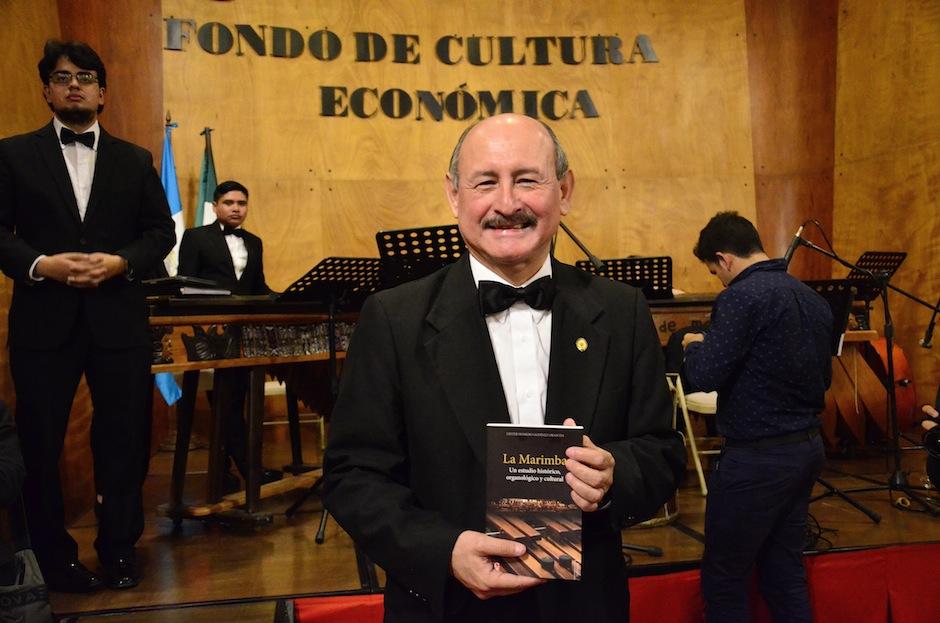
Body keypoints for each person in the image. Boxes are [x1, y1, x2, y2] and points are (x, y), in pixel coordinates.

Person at [322, 113, 686, 622]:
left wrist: (613, 476)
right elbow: (353, 476)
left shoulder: (622, 310)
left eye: (528, 180)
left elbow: (662, 452)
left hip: (585, 607)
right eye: (486, 182)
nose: (508, 203)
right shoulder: (392, 319)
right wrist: (444, 550)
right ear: (454, 195)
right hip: (449, 609)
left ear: (564, 190)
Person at [0, 40, 175, 592]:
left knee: (124, 439)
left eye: (85, 77)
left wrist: (122, 262)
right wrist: (40, 264)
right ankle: (51, 559)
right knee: (40, 445)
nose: (73, 84)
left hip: (118, 320)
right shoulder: (11, 154)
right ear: (46, 91)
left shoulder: (135, 159)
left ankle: (120, 549)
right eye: (62, 76)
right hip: (41, 322)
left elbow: (160, 233)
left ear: (102, 92)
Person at [681, 211, 832, 623]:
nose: (719, 280)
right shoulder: (812, 299)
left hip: (757, 459)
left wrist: (694, 345)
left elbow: (703, 377)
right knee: (784, 572)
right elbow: (823, 378)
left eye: (714, 272)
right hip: (806, 449)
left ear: (724, 258)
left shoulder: (741, 297)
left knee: (724, 578)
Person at [177, 180, 280, 489]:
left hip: (244, 335)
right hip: (207, 335)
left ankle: (225, 475)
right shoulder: (196, 237)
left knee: (234, 402)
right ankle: (250, 471)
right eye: (229, 203)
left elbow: (258, 287)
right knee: (228, 404)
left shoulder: (255, 242)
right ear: (215, 206)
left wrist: (285, 298)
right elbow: (185, 285)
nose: (236, 208)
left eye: (242, 203)